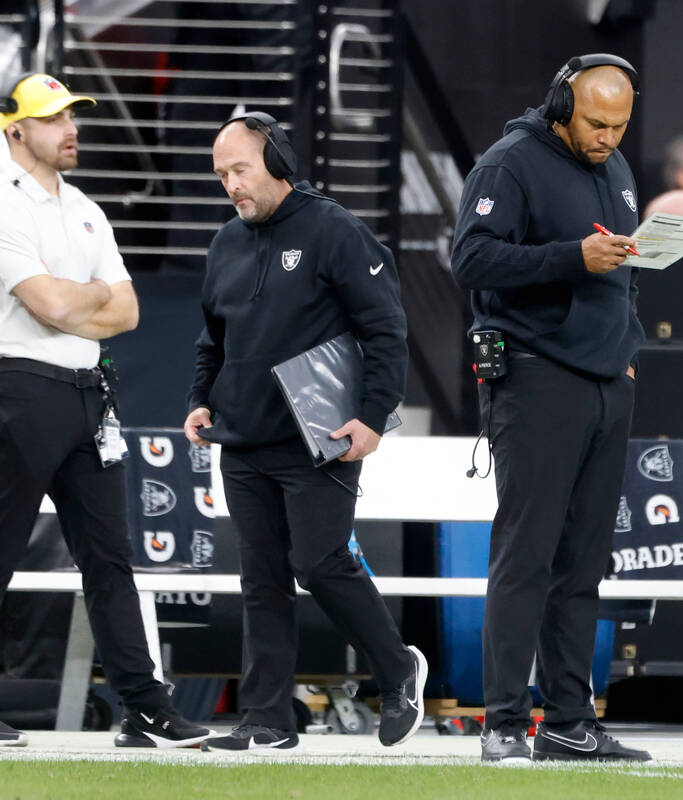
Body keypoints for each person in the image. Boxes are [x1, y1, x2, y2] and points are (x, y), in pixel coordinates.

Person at [185, 111, 425, 753]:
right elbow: (214, 338)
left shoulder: (335, 230)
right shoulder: (226, 242)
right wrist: (200, 401)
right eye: (221, 175)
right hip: (242, 439)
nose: (231, 185)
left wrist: (374, 417)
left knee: (318, 562)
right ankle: (266, 720)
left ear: (279, 163)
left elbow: (386, 330)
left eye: (240, 169)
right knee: (260, 581)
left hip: (319, 435)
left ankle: (398, 667)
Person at [450, 54, 651, 765]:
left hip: (605, 381)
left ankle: (569, 720)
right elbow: (470, 261)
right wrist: (572, 258)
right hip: (535, 377)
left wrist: (626, 349)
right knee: (525, 556)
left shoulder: (618, 168)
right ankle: (503, 719)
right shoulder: (509, 164)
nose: (607, 137)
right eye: (596, 123)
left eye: (620, 125)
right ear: (562, 102)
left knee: (583, 562)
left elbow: (620, 273)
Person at [0, 73, 209, 749]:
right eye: (53, 117)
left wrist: (75, 301)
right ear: (15, 130)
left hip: (89, 396)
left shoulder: (86, 206)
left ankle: (146, 710)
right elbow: (58, 306)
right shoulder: (3, 203)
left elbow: (130, 311)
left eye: (74, 115)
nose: (71, 128)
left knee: (110, 560)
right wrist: (84, 300)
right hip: (18, 388)